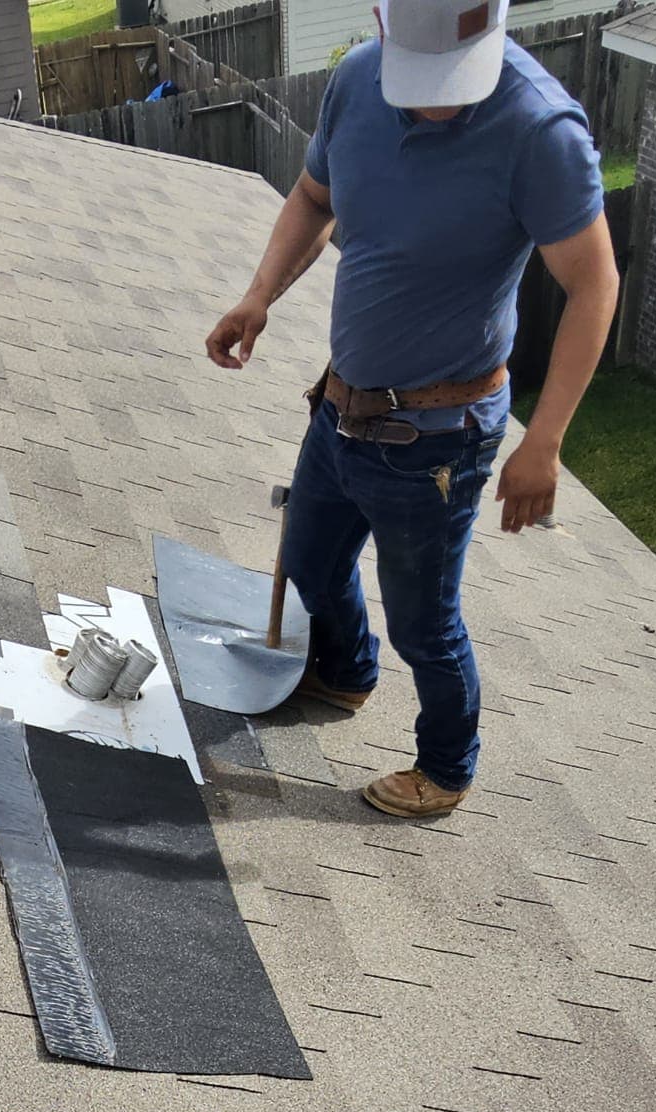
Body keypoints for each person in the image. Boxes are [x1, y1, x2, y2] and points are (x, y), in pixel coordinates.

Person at [206, 0, 619, 818]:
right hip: (341, 406)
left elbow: (594, 284)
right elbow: (312, 199)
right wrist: (259, 296)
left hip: (439, 438)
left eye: (452, 81)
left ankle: (446, 767)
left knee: (425, 625)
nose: (435, 102)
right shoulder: (359, 80)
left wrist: (546, 440)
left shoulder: (541, 133)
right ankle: (346, 674)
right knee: (313, 563)